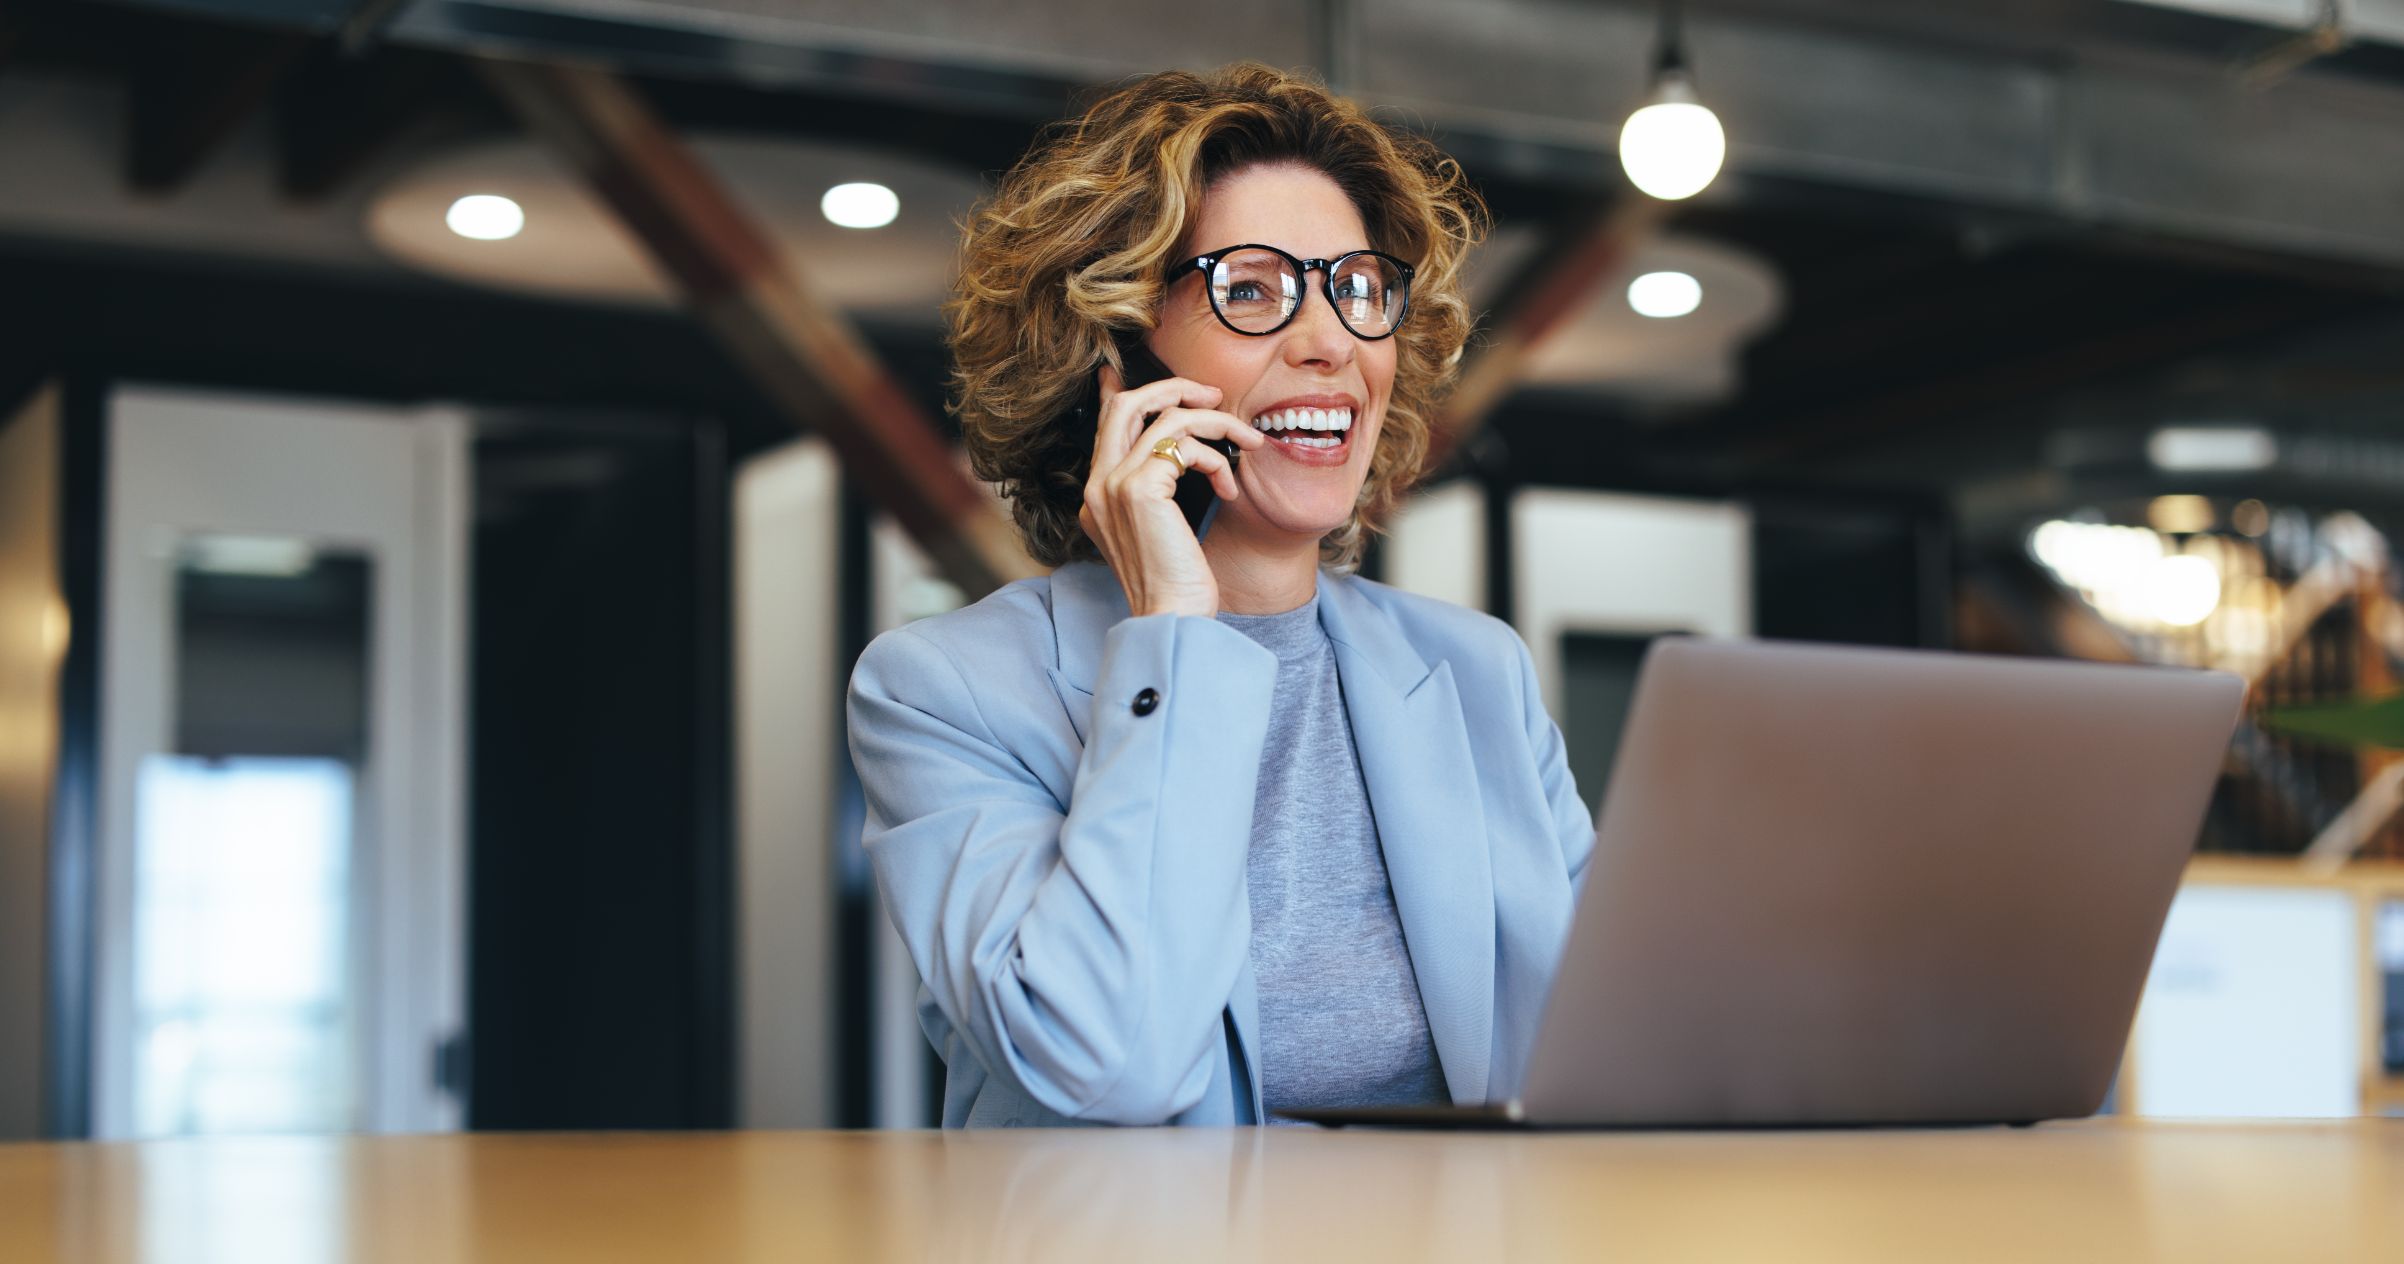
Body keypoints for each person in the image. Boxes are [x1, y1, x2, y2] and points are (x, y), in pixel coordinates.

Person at [846, 63, 1593, 1128]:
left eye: (1359, 289)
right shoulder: (940, 691)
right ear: (1113, 356)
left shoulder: (1481, 674)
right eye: (1251, 290)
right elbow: (1108, 1066)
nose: (1331, 341)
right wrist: (1172, 642)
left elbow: (1609, 1044)